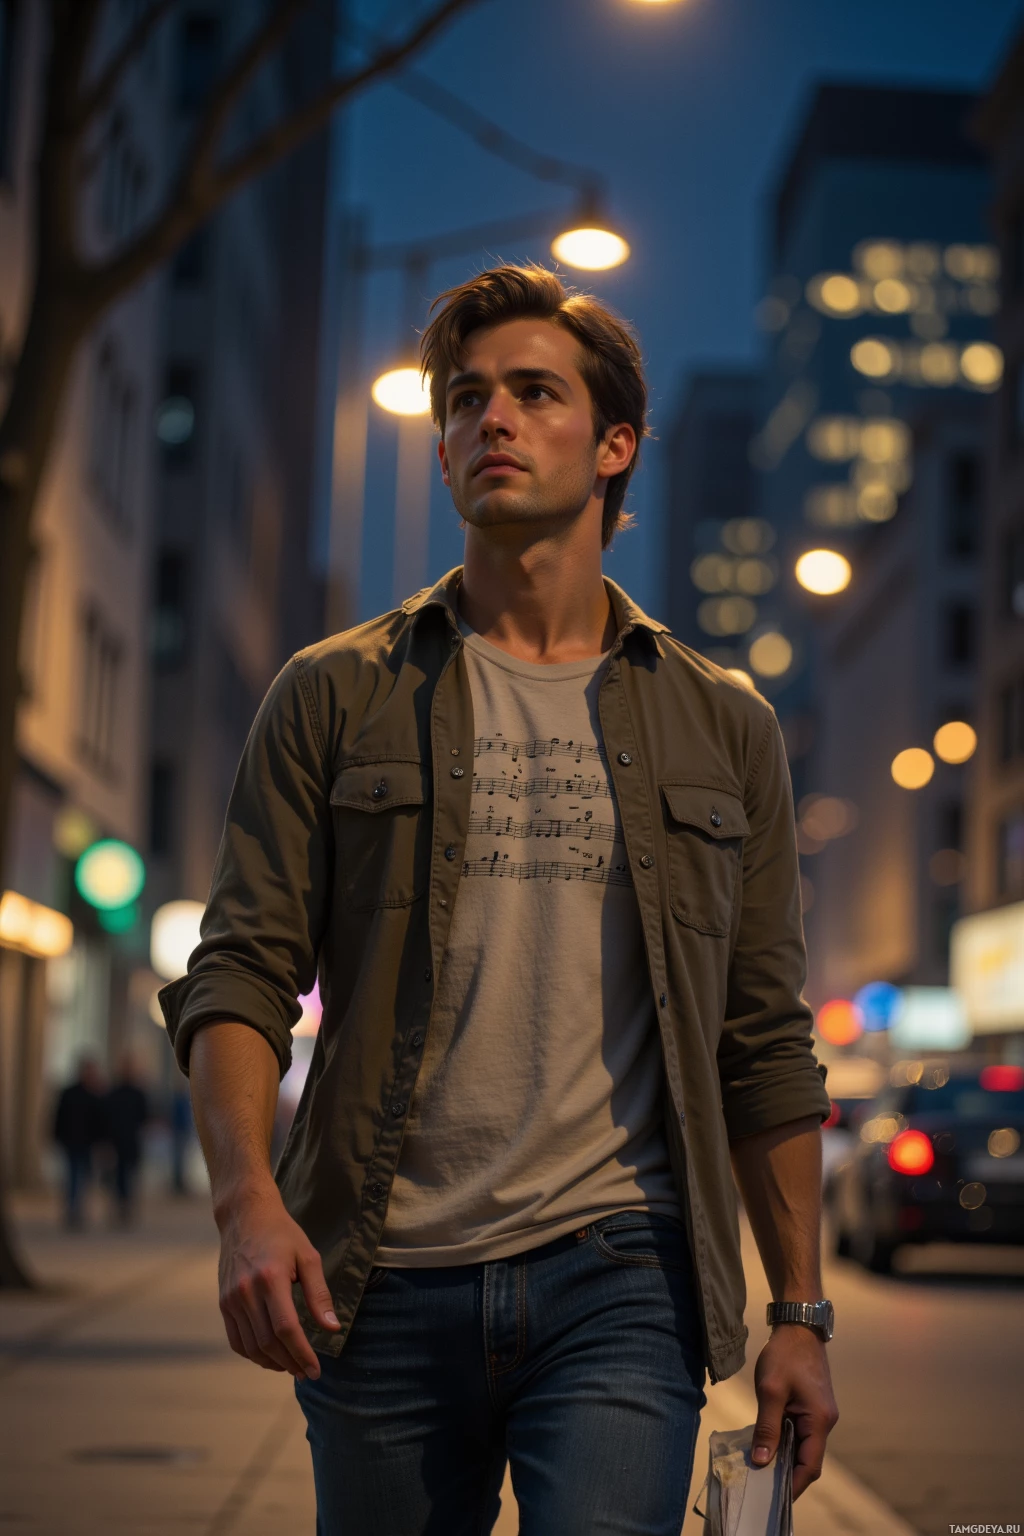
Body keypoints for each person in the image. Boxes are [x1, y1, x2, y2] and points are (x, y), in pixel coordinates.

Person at [161, 264, 838, 1536]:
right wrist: (247, 1201)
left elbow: (763, 1038)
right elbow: (241, 968)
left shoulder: (721, 725)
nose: (492, 422)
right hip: (378, 1274)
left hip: (620, 1278)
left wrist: (797, 1314)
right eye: (465, 399)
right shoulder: (333, 693)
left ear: (616, 443)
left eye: (534, 393)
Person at [52, 1056, 105, 1229]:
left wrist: (100, 1142)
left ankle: (77, 1209)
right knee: (73, 1177)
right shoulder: (70, 1093)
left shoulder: (94, 1094)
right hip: (72, 1142)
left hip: (87, 1144)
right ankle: (73, 1210)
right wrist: (56, 1137)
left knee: (83, 1178)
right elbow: (59, 1116)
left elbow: (99, 1122)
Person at [102, 1054, 149, 1225]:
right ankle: (122, 1207)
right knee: (120, 1178)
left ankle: (126, 1207)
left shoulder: (134, 1093)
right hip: (119, 1143)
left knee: (127, 1177)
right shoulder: (117, 1093)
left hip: (129, 1143)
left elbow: (144, 1117)